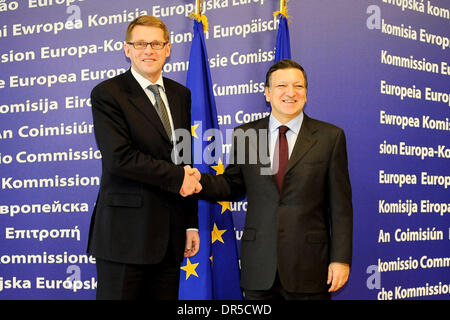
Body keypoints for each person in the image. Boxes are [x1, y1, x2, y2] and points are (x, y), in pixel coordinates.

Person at [187, 59, 353, 300]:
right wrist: (199, 181)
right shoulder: (246, 134)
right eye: (281, 86)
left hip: (309, 267)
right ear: (267, 93)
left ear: (306, 93)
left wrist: (340, 259)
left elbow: (341, 208)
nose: (290, 92)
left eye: (298, 86)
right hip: (259, 268)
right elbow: (232, 185)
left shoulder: (330, 137)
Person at [87, 15, 201, 300]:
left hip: (170, 237)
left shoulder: (180, 95)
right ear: (127, 50)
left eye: (155, 43)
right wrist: (178, 178)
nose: (148, 50)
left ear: (168, 49)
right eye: (140, 43)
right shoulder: (108, 93)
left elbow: (183, 159)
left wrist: (189, 222)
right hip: (124, 237)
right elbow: (119, 158)